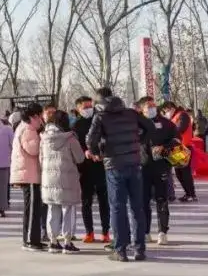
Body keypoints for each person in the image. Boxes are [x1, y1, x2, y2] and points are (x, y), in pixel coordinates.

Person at [86, 87, 149, 262]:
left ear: (99, 101)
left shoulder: (100, 117)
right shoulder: (131, 113)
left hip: (114, 165)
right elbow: (150, 127)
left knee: (117, 207)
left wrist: (97, 152)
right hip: (134, 163)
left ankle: (120, 250)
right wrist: (138, 142)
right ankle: (140, 249)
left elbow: (90, 140)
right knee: (137, 207)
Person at [41, 110, 85, 253]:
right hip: (67, 178)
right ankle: (67, 242)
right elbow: (80, 158)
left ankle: (53, 241)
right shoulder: (70, 138)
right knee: (68, 209)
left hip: (49, 179)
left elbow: (40, 159)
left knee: (52, 209)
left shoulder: (43, 138)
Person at [138, 96, 177, 246]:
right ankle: (145, 232)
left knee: (162, 200)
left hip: (162, 166)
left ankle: (162, 232)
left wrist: (164, 148)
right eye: (149, 106)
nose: (152, 108)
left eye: (153, 106)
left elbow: (176, 140)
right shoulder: (137, 124)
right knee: (143, 201)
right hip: (142, 168)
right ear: (142, 109)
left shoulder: (167, 124)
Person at [72, 95, 110, 243]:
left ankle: (106, 232)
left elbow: (106, 138)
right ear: (78, 109)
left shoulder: (100, 120)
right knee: (86, 201)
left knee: (104, 201)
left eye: (90, 106)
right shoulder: (76, 125)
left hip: (101, 166)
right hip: (85, 168)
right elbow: (75, 145)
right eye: (85, 107)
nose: (89, 109)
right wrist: (85, 152)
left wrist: (101, 152)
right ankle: (89, 232)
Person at [12, 103, 45, 251]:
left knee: (34, 208)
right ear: (34, 116)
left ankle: (34, 238)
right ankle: (30, 240)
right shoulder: (28, 130)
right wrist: (42, 138)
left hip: (29, 172)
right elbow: (33, 149)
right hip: (29, 174)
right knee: (31, 209)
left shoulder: (25, 127)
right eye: (40, 115)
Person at [162, 101, 198, 202]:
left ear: (171, 108)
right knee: (179, 173)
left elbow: (180, 128)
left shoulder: (183, 115)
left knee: (185, 172)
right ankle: (188, 193)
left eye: (166, 110)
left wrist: (168, 132)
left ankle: (191, 194)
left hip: (184, 147)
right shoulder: (174, 117)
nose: (166, 113)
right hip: (177, 148)